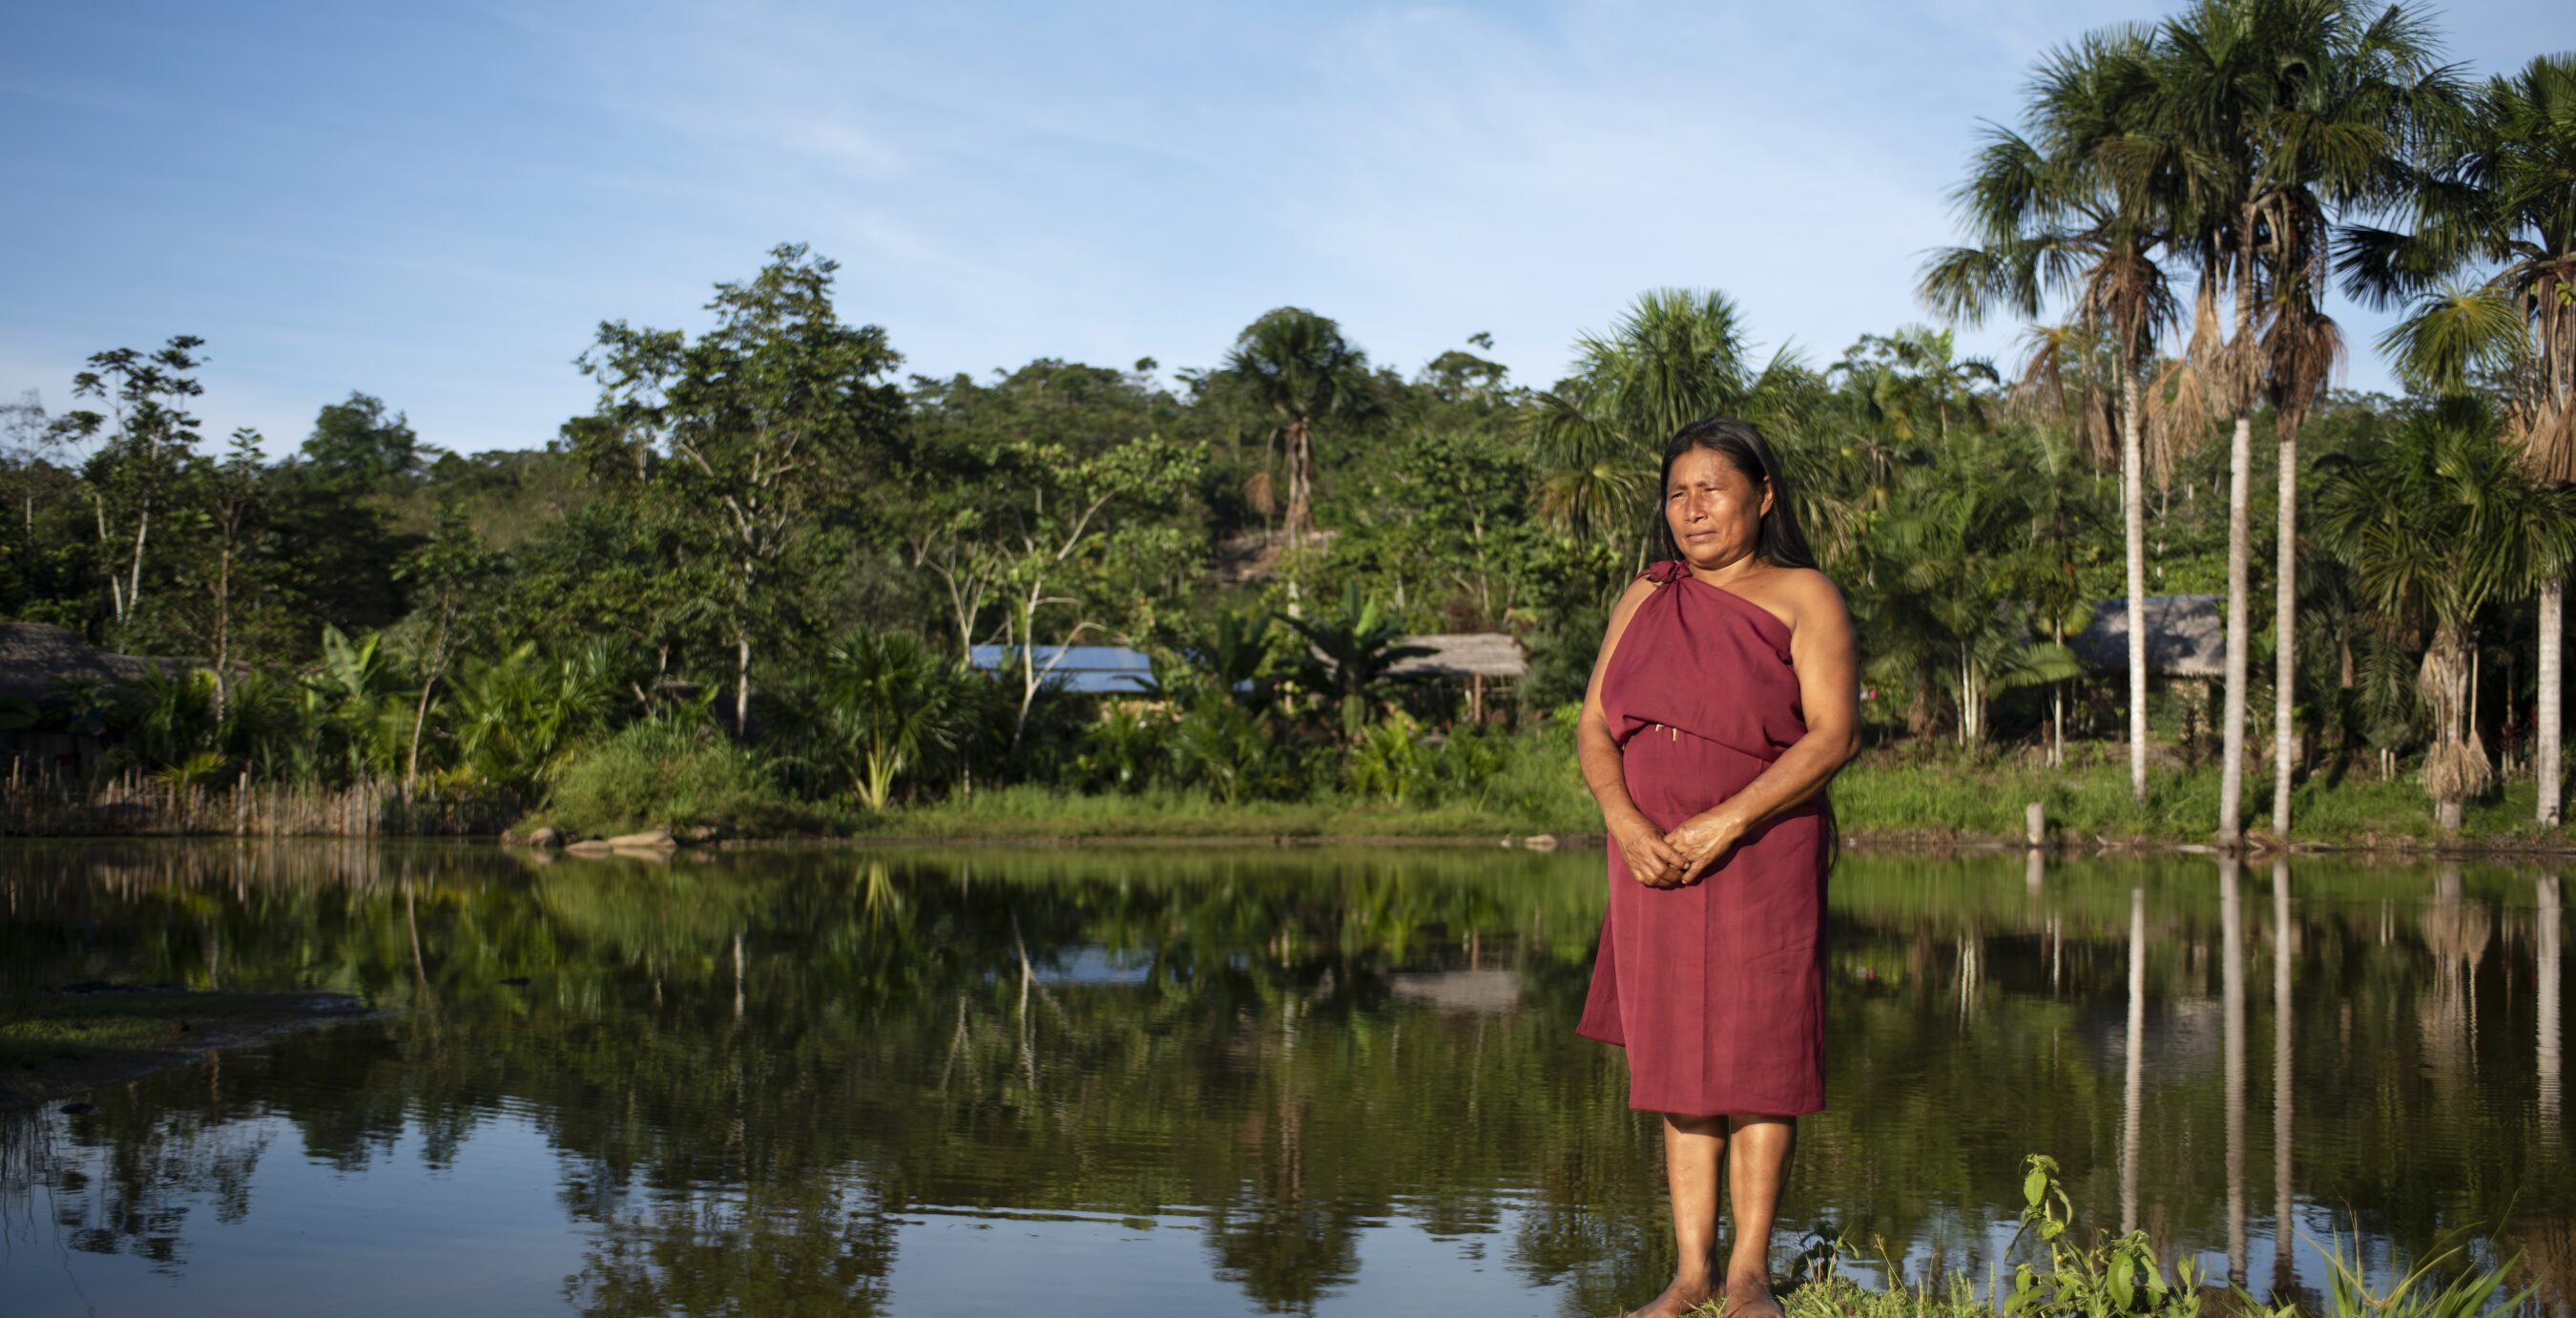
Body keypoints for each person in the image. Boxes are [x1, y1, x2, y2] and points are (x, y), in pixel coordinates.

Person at [1573, 417, 1861, 1318]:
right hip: (1651, 855)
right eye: (1677, 492)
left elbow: (1833, 734)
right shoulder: (1645, 592)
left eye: (1712, 488)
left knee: (1759, 1056)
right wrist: (1622, 819)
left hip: (1762, 848)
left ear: (1763, 495)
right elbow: (1592, 727)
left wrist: (1729, 821)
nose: (1692, 509)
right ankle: (1691, 1273)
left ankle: (1749, 1276)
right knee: (1678, 1064)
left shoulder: (1802, 594)